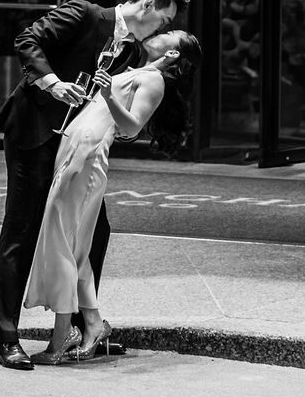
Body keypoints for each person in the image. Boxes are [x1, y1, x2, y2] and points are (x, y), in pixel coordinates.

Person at [0, 0, 185, 370]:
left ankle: (85, 325)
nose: (162, 28)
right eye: (164, 19)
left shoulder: (134, 52)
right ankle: (6, 338)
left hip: (75, 148)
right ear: (148, 4)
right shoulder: (85, 14)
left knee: (96, 229)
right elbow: (27, 39)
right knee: (22, 228)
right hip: (35, 132)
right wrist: (52, 83)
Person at [23, 29, 203, 364]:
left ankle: (63, 335)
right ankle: (92, 325)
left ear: (173, 54)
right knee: (71, 244)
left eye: (170, 32)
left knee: (62, 241)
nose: (161, 31)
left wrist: (107, 94)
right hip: (76, 147)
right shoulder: (139, 70)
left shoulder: (154, 81)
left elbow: (132, 127)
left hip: (89, 156)